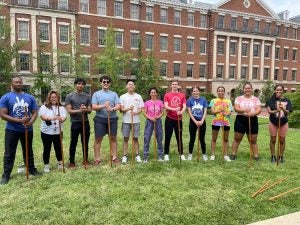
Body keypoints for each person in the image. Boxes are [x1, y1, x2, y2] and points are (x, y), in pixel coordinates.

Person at [0, 76, 41, 185]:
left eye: (20, 82)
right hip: (11, 130)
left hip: (27, 129)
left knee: (28, 150)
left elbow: (35, 112)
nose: (18, 84)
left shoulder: (30, 97)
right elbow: (3, 115)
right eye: (16, 82)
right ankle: (6, 175)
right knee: (9, 152)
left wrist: (30, 122)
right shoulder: (6, 97)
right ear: (12, 83)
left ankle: (31, 169)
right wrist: (18, 120)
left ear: (22, 84)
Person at [92, 75, 121, 165]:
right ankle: (97, 158)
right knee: (98, 139)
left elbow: (118, 105)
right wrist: (104, 106)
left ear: (110, 83)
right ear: (101, 83)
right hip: (100, 119)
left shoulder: (114, 94)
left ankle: (115, 157)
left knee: (113, 138)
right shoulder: (96, 94)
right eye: (104, 82)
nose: (106, 83)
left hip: (112, 119)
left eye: (108, 82)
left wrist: (112, 109)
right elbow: (94, 106)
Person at [231, 82, 262, 161]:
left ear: (251, 89)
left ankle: (255, 155)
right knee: (237, 138)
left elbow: (259, 109)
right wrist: (244, 110)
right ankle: (233, 154)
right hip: (240, 120)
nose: (247, 90)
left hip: (253, 120)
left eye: (249, 88)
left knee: (253, 140)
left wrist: (253, 113)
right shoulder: (238, 98)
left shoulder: (256, 99)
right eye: (246, 88)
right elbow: (236, 108)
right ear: (243, 89)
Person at [65, 78, 92, 168]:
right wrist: (80, 110)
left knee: (85, 142)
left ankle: (85, 159)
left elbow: (90, 110)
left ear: (84, 86)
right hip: (75, 123)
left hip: (85, 122)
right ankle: (72, 161)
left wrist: (85, 109)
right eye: (78, 84)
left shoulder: (87, 96)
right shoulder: (70, 96)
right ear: (75, 85)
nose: (80, 85)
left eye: (82, 84)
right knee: (73, 142)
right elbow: (69, 110)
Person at [39, 91, 67, 172]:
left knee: (58, 148)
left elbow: (64, 117)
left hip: (58, 132)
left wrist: (61, 119)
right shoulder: (44, 107)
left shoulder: (61, 108)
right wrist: (53, 118)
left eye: (55, 97)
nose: (54, 99)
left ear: (58, 98)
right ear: (49, 98)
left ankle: (60, 164)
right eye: (52, 97)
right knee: (47, 148)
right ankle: (46, 165)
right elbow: (43, 117)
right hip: (46, 132)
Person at [266, 84, 292, 163]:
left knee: (282, 140)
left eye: (280, 90)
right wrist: (276, 110)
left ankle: (281, 156)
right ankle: (273, 156)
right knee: (273, 140)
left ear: (283, 91)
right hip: (273, 122)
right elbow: (269, 111)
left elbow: (288, 112)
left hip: (283, 122)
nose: (279, 91)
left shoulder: (287, 100)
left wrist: (283, 109)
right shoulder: (271, 100)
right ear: (275, 90)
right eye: (277, 89)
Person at [120, 80, 144, 163]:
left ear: (134, 86)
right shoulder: (122, 96)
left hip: (136, 121)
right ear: (126, 86)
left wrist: (136, 112)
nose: (130, 85)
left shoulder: (138, 96)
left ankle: (137, 155)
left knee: (135, 138)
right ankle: (124, 156)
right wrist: (129, 108)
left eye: (132, 84)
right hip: (126, 121)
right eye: (129, 84)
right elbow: (121, 109)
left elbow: (141, 109)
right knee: (125, 138)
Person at [164, 80, 187, 161]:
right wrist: (174, 109)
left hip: (178, 119)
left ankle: (181, 154)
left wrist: (181, 111)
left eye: (175, 84)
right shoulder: (167, 95)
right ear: (171, 86)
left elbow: (184, 106)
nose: (174, 85)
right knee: (168, 136)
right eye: (173, 84)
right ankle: (166, 153)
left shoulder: (182, 95)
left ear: (178, 86)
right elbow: (166, 106)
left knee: (179, 136)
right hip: (169, 118)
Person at [209, 86, 233, 162]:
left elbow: (230, 111)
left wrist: (226, 113)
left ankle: (226, 155)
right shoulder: (213, 101)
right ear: (217, 92)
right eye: (219, 91)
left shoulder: (228, 101)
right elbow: (212, 111)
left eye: (222, 91)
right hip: (216, 122)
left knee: (225, 139)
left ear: (224, 92)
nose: (220, 92)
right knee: (214, 138)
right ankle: (212, 154)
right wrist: (219, 110)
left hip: (225, 122)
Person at [143, 87, 164, 162]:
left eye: (154, 92)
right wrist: (151, 118)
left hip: (158, 121)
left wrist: (158, 116)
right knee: (147, 138)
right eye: (152, 92)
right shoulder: (147, 102)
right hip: (149, 121)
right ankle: (145, 156)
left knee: (159, 138)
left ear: (156, 93)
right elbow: (144, 113)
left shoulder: (160, 102)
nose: (153, 93)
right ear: (150, 94)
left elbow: (162, 112)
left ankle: (160, 156)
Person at [187, 87, 208, 161]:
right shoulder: (190, 100)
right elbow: (189, 111)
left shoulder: (203, 100)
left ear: (199, 92)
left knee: (202, 138)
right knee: (192, 138)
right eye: (194, 91)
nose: (195, 92)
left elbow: (205, 110)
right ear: (192, 92)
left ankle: (204, 154)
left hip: (202, 121)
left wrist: (202, 120)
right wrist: (195, 121)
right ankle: (190, 154)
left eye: (197, 91)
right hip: (193, 121)